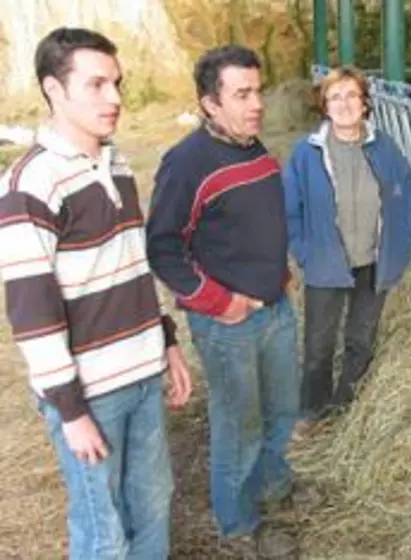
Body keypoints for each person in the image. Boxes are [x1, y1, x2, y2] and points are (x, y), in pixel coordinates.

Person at [0, 27, 193, 559]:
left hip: (141, 372)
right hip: (91, 393)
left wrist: (167, 341)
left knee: (154, 504)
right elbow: (32, 314)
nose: (115, 99)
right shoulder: (30, 185)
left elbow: (132, 267)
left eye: (118, 84)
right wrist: (70, 410)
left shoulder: (120, 165)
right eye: (97, 85)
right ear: (54, 91)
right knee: (102, 531)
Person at [145, 45, 299, 559]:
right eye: (242, 94)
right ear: (210, 103)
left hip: (276, 308)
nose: (257, 104)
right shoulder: (186, 163)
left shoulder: (256, 149)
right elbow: (163, 247)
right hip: (230, 323)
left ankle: (272, 488)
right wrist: (219, 301)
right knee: (240, 426)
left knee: (282, 411)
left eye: (258, 91)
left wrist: (279, 271)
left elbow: (256, 222)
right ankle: (237, 527)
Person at [282, 66, 411, 437]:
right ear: (324, 106)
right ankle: (312, 410)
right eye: (335, 97)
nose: (344, 104)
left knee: (361, 339)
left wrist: (401, 238)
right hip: (327, 263)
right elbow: (289, 208)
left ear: (365, 104)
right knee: (318, 344)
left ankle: (346, 407)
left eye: (352, 96)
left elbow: (409, 190)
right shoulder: (306, 154)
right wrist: (304, 252)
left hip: (374, 262)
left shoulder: (384, 146)